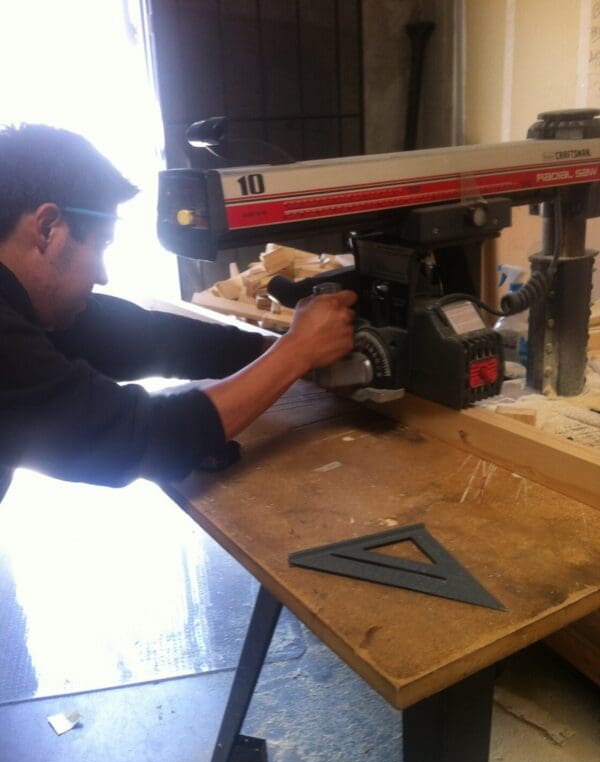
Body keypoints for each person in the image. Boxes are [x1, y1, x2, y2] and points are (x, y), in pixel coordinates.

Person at [0, 124, 357, 500]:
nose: (103, 277)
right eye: (102, 244)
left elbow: (146, 337)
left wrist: (282, 347)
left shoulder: (25, 307)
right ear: (46, 228)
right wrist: (296, 353)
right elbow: (135, 439)